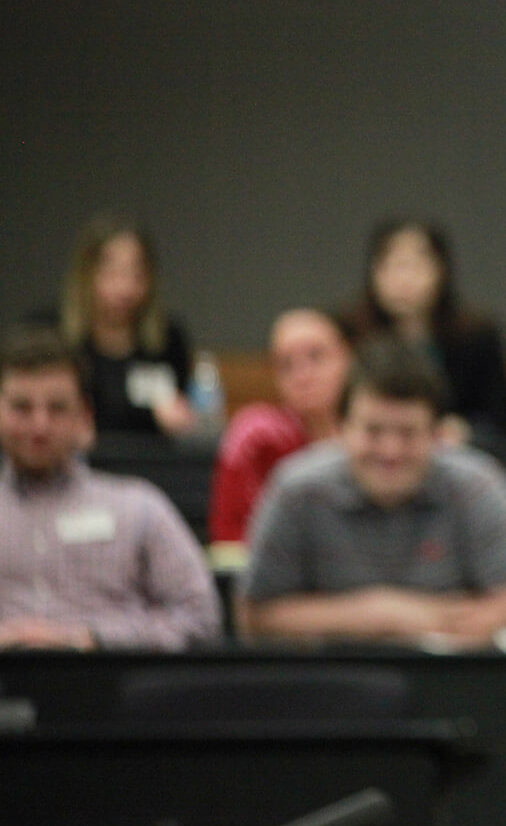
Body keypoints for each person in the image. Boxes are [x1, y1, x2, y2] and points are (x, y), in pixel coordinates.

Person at [237, 338, 506, 648]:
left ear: (437, 435)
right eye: (373, 431)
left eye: (408, 433)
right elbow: (253, 616)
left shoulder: (476, 485)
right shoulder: (297, 489)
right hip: (326, 684)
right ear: (341, 428)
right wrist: (377, 614)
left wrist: (476, 617)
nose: (390, 451)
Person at [0, 329, 221, 650]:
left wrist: (90, 639)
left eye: (57, 408)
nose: (39, 426)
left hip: (110, 686)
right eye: (22, 407)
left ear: (84, 416)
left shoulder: (140, 508)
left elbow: (201, 617)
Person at [341, 217, 506, 447]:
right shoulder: (348, 335)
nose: (403, 278)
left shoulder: (477, 337)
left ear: (441, 271)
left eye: (416, 265)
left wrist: (465, 431)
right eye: (390, 265)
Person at [42, 212, 199, 438]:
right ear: (86, 274)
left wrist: (180, 418)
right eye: (112, 273)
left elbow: (178, 410)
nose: (125, 288)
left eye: (137, 274)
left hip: (151, 465)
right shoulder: (51, 335)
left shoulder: (168, 339)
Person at [207, 308, 353, 548]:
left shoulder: (379, 434)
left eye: (316, 356)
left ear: (347, 357)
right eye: (286, 365)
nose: (302, 376)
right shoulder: (255, 437)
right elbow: (231, 540)